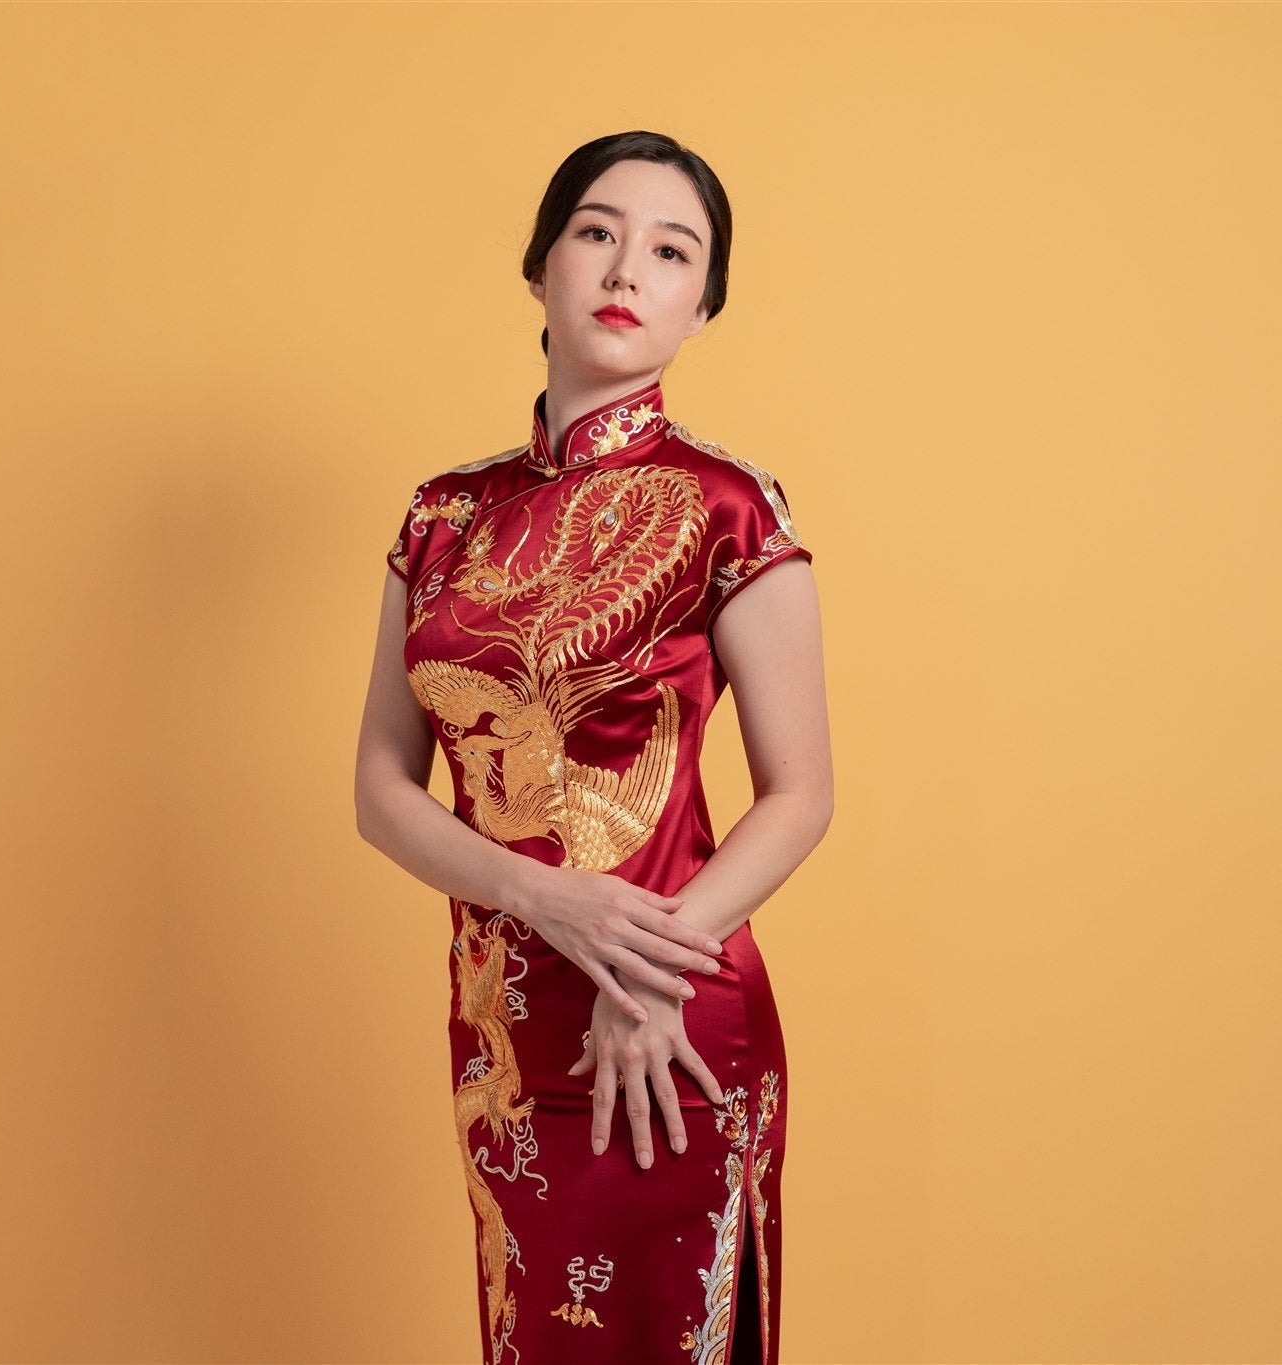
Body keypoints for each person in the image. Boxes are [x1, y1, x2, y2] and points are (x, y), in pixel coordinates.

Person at [354, 129, 833, 1365]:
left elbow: (800, 796)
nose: (629, 267)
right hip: (503, 1026)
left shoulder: (729, 506)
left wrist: (646, 973)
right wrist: (535, 897)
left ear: (700, 307)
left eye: (672, 252)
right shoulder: (442, 515)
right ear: (542, 268)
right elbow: (379, 786)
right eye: (597, 232)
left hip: (665, 1023)